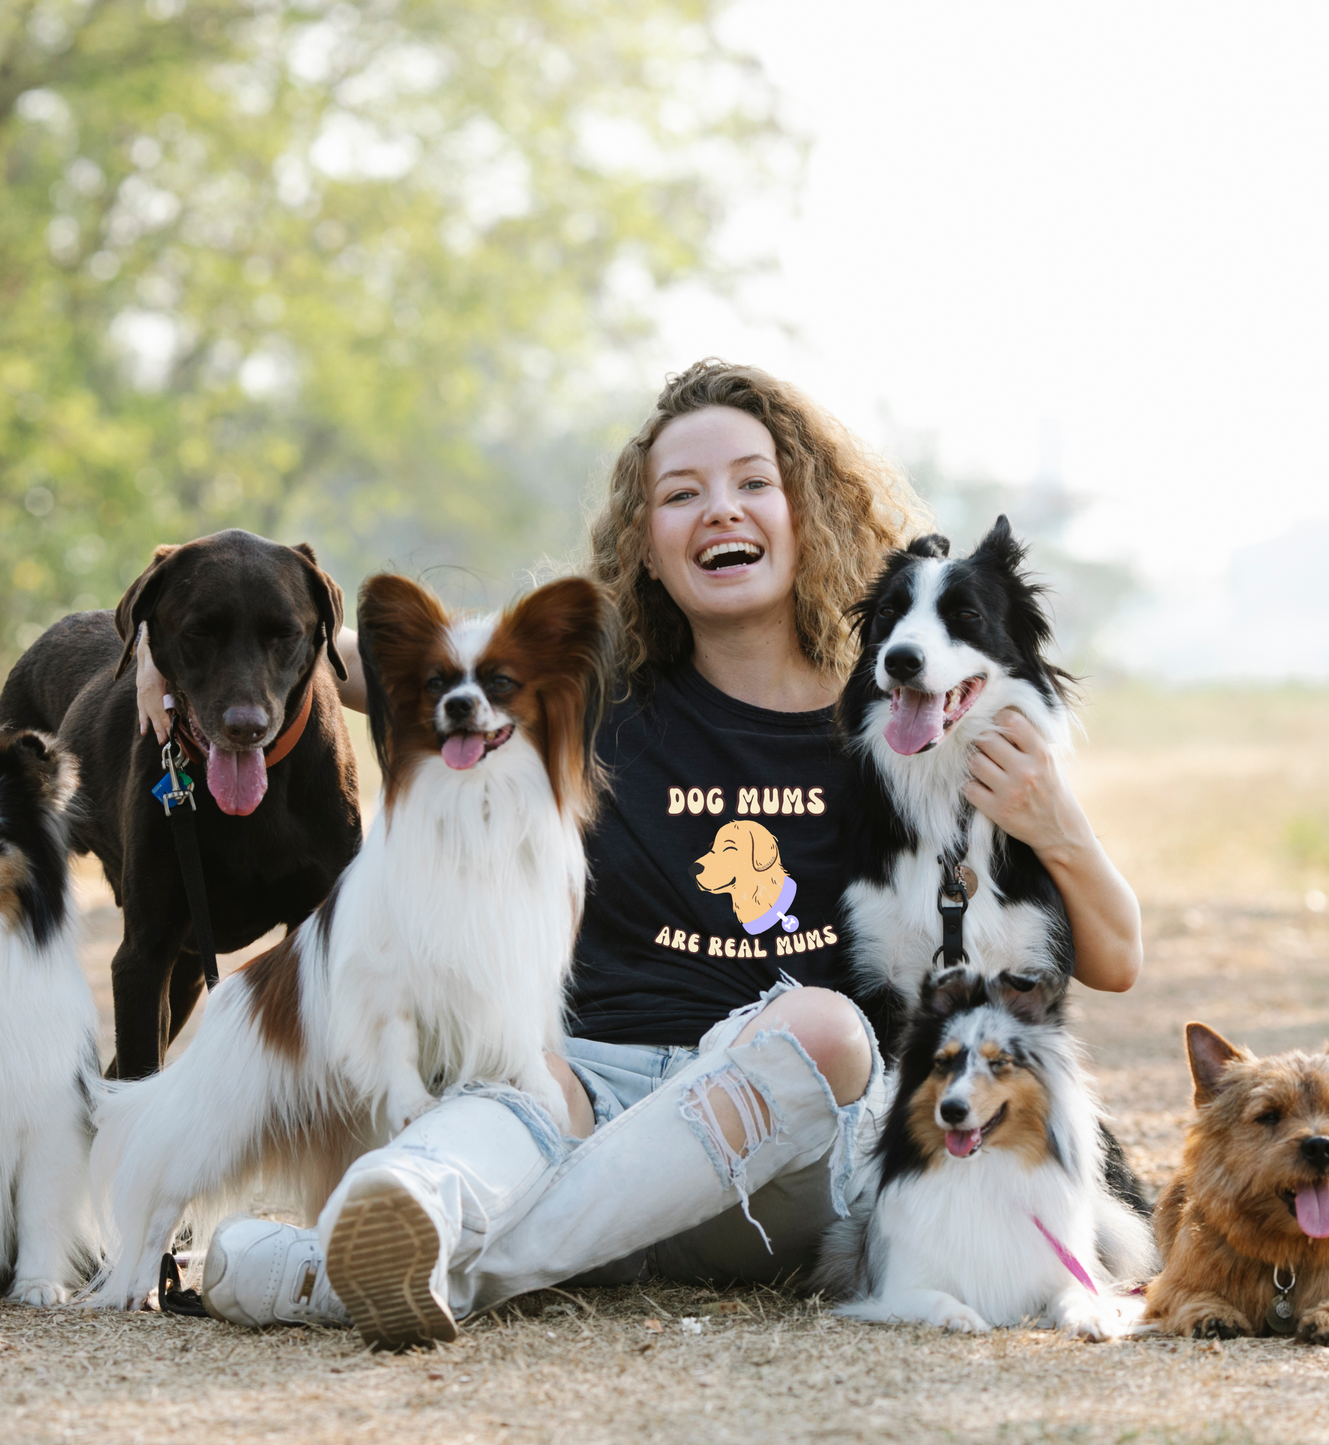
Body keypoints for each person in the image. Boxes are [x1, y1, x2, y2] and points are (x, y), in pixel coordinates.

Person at [133, 361, 1142, 1346]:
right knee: (516, 1073)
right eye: (680, 493)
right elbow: (344, 653)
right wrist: (167, 652)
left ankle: (317, 1269)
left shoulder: (894, 720)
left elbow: (1110, 956)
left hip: (792, 1135)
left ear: (809, 511)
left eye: (754, 482)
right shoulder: (586, 694)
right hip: (592, 1096)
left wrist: (1055, 821)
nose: (720, 510)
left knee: (827, 1027)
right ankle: (406, 1213)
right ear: (644, 542)